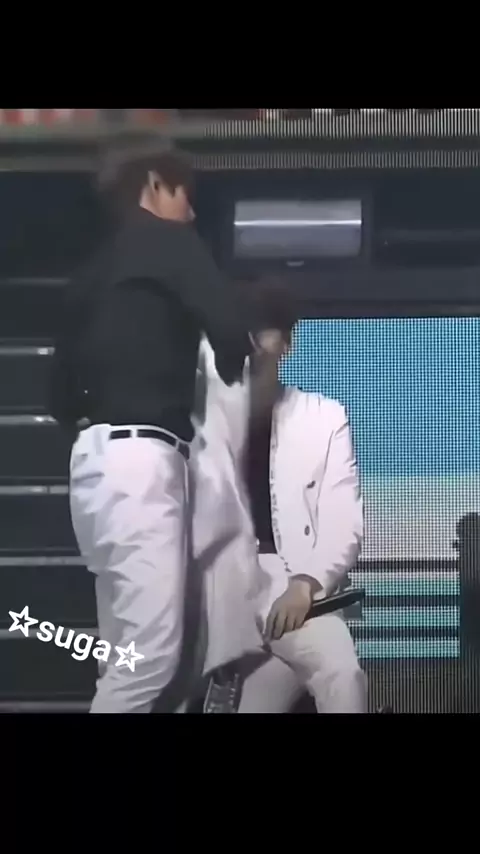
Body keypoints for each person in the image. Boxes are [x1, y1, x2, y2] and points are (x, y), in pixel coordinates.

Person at [49, 143, 258, 714]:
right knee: (149, 660)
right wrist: (232, 366)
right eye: (185, 195)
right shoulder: (169, 242)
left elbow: (58, 395)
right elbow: (230, 327)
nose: (191, 211)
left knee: (121, 656)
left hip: (92, 468)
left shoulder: (90, 272)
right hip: (143, 463)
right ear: (157, 185)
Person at [237, 281, 367, 713]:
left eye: (263, 331)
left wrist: (305, 584)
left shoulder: (323, 418)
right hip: (224, 591)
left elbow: (343, 521)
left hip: (293, 581)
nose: (252, 345)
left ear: (287, 345)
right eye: (242, 332)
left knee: (341, 673)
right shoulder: (199, 423)